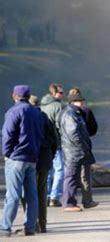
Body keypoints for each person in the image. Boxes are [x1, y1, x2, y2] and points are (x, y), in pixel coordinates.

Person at [1, 85, 44, 237]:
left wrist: (7, 153)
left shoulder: (14, 111)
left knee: (12, 194)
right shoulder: (36, 112)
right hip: (32, 157)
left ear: (14, 96)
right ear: (28, 96)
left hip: (16, 157)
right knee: (32, 195)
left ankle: (5, 227)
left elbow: (7, 135)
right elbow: (40, 135)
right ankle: (30, 227)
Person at [60, 91, 95, 212]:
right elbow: (73, 133)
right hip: (73, 151)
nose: (83, 103)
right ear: (74, 102)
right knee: (71, 177)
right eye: (81, 101)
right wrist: (82, 146)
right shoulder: (70, 114)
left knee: (73, 176)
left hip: (74, 150)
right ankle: (68, 203)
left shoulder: (75, 112)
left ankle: (71, 202)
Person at [30, 95, 57, 233]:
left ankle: (32, 223)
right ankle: (43, 224)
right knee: (42, 192)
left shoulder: (28, 117)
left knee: (29, 192)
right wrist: (50, 156)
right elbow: (54, 139)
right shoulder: (45, 117)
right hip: (45, 158)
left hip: (31, 158)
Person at [68, 87, 98, 209]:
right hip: (84, 145)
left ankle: (70, 200)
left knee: (71, 175)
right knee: (85, 175)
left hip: (69, 147)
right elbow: (93, 129)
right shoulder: (86, 111)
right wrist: (85, 136)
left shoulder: (65, 112)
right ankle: (87, 200)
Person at [40, 83, 64, 208]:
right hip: (56, 143)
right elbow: (61, 126)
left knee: (47, 170)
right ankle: (55, 197)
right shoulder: (58, 106)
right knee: (59, 170)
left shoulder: (42, 106)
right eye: (60, 93)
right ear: (54, 93)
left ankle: (46, 195)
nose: (62, 95)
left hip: (44, 143)